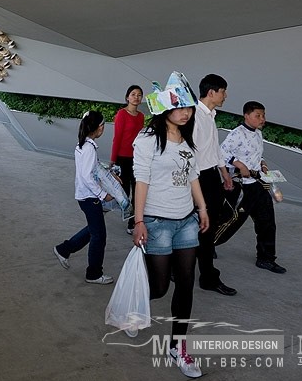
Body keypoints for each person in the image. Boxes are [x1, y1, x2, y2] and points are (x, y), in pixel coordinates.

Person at [132, 71, 208, 379]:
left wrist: (202, 207)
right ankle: (136, 308)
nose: (186, 112)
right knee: (160, 287)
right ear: (164, 108)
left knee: (187, 283)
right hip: (157, 222)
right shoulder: (148, 140)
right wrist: (138, 220)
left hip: (186, 220)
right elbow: (141, 181)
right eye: (179, 107)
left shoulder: (187, 139)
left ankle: (178, 345)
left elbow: (193, 176)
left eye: (188, 107)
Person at [219, 101, 287, 274]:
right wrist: (238, 163)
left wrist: (263, 163)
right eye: (258, 115)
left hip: (258, 185)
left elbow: (257, 154)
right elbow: (221, 153)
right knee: (227, 222)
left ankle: (266, 258)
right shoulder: (236, 134)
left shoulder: (258, 134)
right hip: (240, 188)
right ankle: (205, 246)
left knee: (267, 222)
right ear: (246, 115)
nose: (262, 119)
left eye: (263, 115)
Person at [53, 111, 115, 285]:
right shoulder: (88, 148)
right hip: (90, 198)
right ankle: (94, 273)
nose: (103, 128)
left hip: (85, 196)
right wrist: (104, 195)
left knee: (93, 230)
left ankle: (63, 249)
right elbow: (88, 177)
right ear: (97, 127)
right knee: (99, 236)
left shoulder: (83, 145)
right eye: (102, 125)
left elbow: (91, 170)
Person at [193, 74, 236, 296]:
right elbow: (190, 155)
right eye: (223, 91)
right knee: (203, 227)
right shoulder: (193, 116)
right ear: (211, 92)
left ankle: (204, 273)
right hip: (198, 178)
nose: (225, 95)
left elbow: (214, 148)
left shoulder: (210, 115)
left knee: (208, 226)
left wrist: (224, 173)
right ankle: (207, 276)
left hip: (212, 176)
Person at [110, 85, 145, 235]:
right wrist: (113, 159)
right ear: (127, 97)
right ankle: (108, 206)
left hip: (137, 158)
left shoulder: (142, 116)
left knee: (138, 190)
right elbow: (117, 138)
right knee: (124, 192)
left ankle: (133, 223)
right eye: (133, 94)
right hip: (122, 158)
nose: (136, 97)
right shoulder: (121, 114)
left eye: (139, 95)